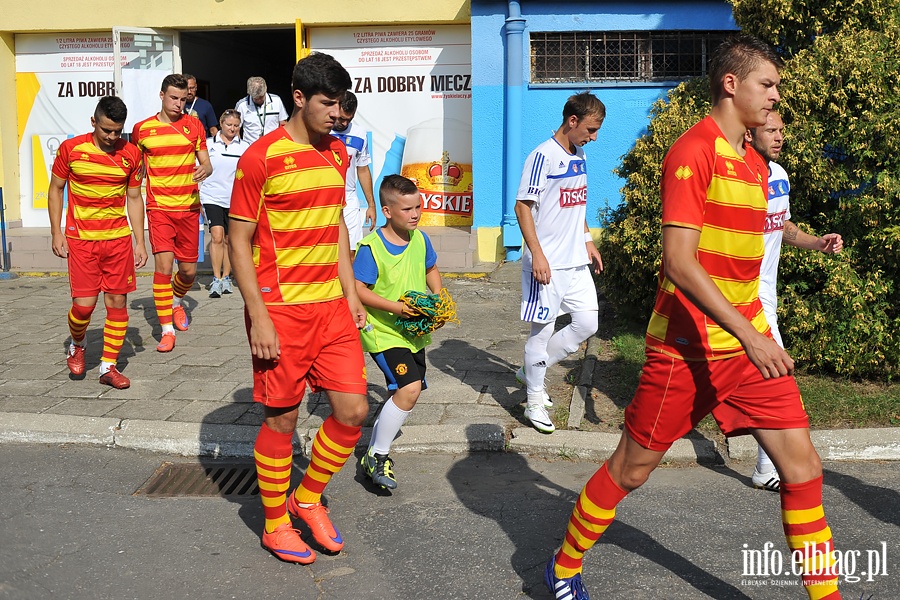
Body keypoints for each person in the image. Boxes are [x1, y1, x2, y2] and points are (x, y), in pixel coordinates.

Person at [543, 35, 842, 600]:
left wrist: (758, 327)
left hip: (749, 351)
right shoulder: (692, 153)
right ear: (732, 85)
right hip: (686, 350)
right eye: (768, 85)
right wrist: (753, 334)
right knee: (631, 469)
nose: (776, 97)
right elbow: (679, 264)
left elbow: (754, 250)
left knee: (804, 472)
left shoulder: (756, 162)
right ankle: (562, 566)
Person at [229, 52, 369, 565]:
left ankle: (305, 498)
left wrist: (351, 293)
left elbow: (336, 226)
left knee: (353, 411)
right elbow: (238, 242)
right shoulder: (259, 158)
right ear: (299, 98)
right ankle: (274, 524)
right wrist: (258, 315)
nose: (338, 113)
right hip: (280, 310)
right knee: (283, 422)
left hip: (331, 305)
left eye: (340, 104)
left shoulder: (338, 154)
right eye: (328, 103)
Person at [724, 110, 843, 492]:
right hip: (742, 295)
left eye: (781, 131)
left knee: (759, 374)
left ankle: (762, 463)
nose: (779, 137)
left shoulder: (779, 176)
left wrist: (817, 243)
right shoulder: (735, 177)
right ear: (749, 133)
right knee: (777, 372)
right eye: (771, 130)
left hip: (766, 294)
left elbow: (783, 227)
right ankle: (767, 466)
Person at [514, 91, 605, 434]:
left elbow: (576, 204)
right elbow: (523, 207)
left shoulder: (579, 154)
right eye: (591, 129)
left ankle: (529, 371)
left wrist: (587, 240)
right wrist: (537, 253)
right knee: (542, 331)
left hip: (576, 261)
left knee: (587, 323)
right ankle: (534, 398)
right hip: (547, 264)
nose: (593, 137)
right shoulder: (542, 156)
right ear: (572, 121)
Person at [48, 96, 147, 389]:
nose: (112, 137)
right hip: (81, 241)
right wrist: (56, 232)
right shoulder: (71, 149)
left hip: (117, 241)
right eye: (106, 130)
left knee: (117, 302)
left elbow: (133, 197)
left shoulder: (131, 154)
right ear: (94, 122)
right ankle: (77, 344)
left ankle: (108, 367)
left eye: (117, 131)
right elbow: (55, 189)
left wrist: (140, 241)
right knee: (83, 307)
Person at [353, 174, 442, 489]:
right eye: (407, 209)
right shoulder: (371, 248)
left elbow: (431, 268)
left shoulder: (420, 238)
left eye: (418, 206)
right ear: (387, 211)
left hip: (413, 331)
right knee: (409, 389)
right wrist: (397, 308)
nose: (416, 213)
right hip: (384, 332)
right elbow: (357, 289)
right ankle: (376, 456)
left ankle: (379, 436)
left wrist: (439, 298)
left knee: (403, 392)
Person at [132, 73, 213, 352]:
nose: (179, 103)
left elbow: (207, 163)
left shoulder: (194, 126)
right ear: (162, 95)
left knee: (189, 272)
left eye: (183, 98)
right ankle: (166, 330)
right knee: (163, 269)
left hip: (189, 208)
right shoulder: (142, 130)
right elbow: (134, 168)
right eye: (173, 98)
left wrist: (206, 169)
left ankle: (176, 302)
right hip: (159, 209)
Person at [200, 109, 248, 298]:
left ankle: (227, 276)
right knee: (217, 235)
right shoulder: (208, 144)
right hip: (212, 196)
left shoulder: (244, 147)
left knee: (229, 239)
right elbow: (198, 169)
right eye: (229, 125)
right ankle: (216, 278)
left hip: (234, 198)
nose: (232, 129)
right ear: (221, 123)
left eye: (236, 126)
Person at [330, 91, 377, 253]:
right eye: (341, 118)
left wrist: (371, 205)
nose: (343, 123)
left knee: (351, 252)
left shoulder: (359, 134)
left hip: (349, 198)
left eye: (348, 120)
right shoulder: (320, 131)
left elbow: (363, 169)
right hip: (324, 197)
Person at [235, 76, 288, 144]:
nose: (259, 100)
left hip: (273, 146)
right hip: (250, 147)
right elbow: (236, 129)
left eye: (261, 97)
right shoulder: (242, 105)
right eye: (256, 98)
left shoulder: (277, 100)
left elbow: (283, 123)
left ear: (265, 90)